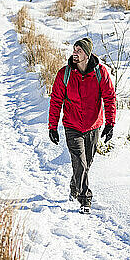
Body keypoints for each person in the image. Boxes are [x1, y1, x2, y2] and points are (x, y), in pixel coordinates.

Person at [48, 37, 116, 214]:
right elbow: (56, 101)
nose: (74, 53)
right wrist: (52, 126)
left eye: (79, 50)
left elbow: (109, 98)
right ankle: (85, 199)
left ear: (87, 53)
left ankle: (74, 184)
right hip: (72, 125)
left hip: (94, 125)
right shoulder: (65, 74)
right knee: (79, 161)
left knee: (86, 164)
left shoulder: (101, 73)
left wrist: (110, 124)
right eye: (74, 49)